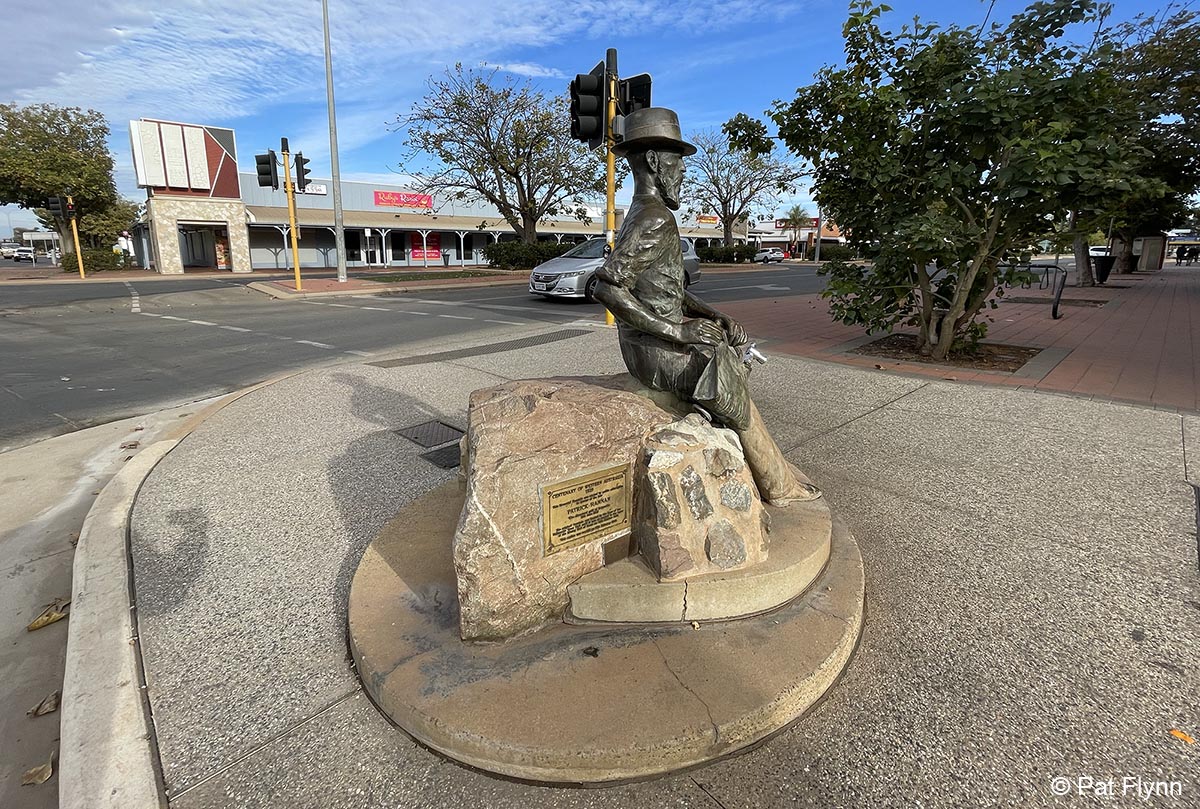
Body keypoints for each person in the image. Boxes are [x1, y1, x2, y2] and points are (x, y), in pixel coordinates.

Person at [593, 108, 819, 505]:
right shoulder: (654, 218)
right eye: (678, 163)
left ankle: (750, 451)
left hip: (647, 343)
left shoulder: (645, 214)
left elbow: (668, 292)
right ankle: (778, 485)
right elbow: (607, 288)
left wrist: (713, 314)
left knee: (720, 344)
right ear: (653, 161)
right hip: (652, 352)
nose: (683, 173)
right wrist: (682, 331)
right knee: (723, 363)